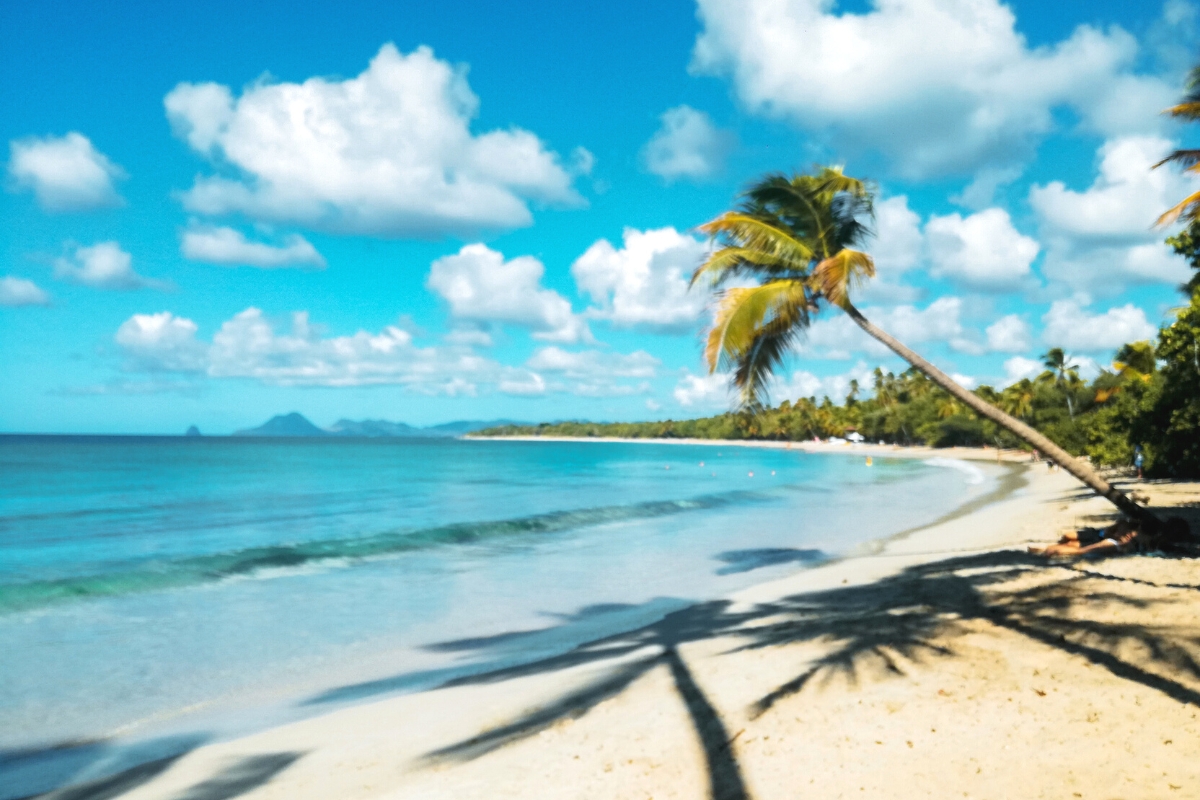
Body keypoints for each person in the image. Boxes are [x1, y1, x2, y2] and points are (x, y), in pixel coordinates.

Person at [1029, 519, 1140, 556]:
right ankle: (1049, 548)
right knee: (1068, 537)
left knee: (1073, 546)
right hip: (1099, 534)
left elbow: (1083, 551)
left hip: (1108, 542)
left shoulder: (1114, 544)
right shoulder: (1126, 524)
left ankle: (1050, 550)